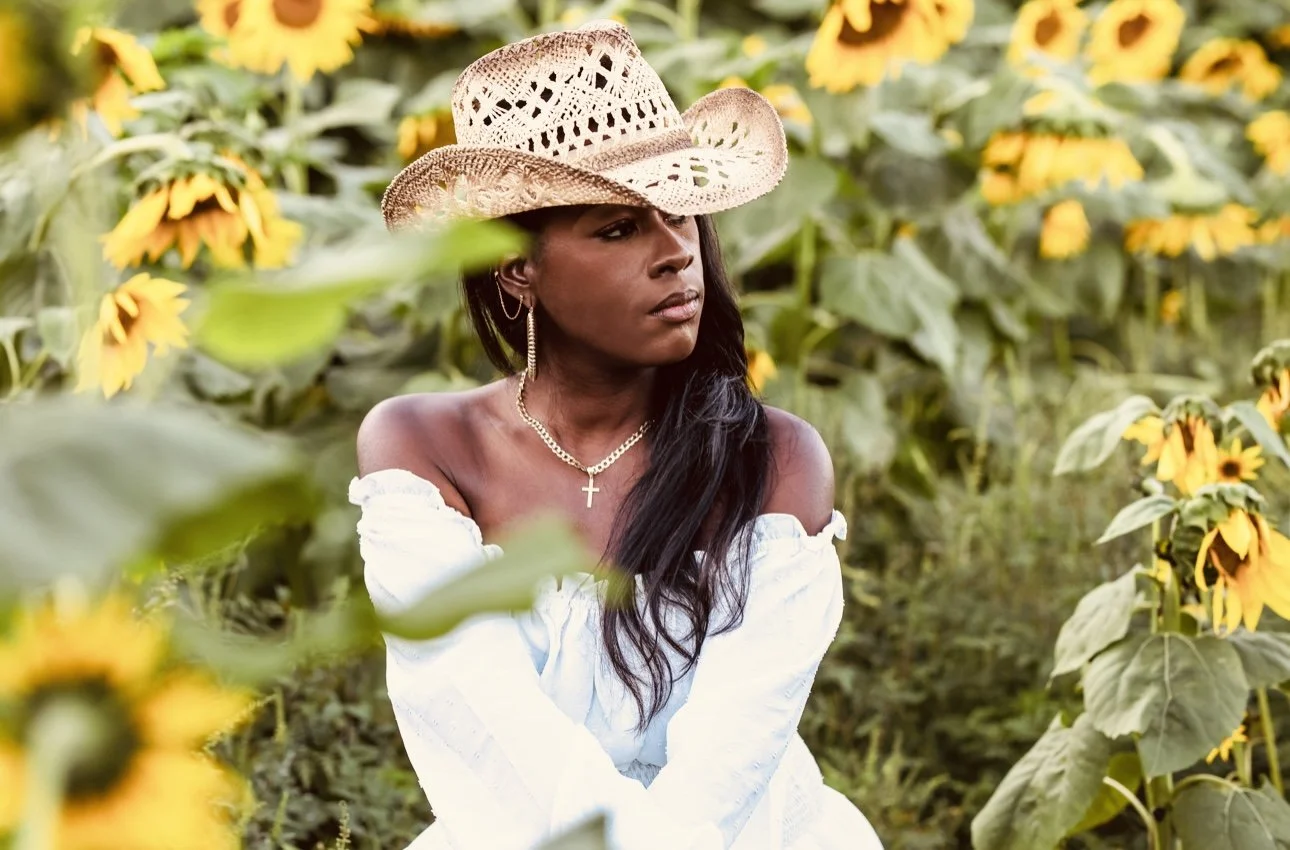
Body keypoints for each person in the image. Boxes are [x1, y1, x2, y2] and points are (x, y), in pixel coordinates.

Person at [348, 18, 885, 850]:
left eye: (681, 213)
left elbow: (735, 755)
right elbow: (478, 717)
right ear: (517, 268)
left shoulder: (773, 457)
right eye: (617, 228)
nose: (677, 253)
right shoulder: (424, 451)